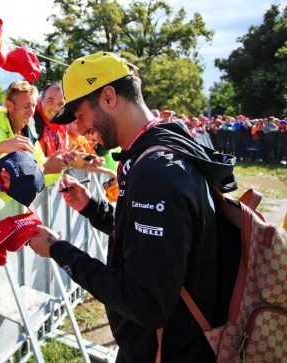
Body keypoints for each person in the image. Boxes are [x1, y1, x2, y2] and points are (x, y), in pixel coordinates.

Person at [28, 51, 236, 362]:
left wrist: (59, 250)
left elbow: (146, 303)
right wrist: (93, 210)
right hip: (182, 340)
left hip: (169, 350)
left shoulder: (155, 171)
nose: (79, 129)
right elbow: (157, 245)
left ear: (108, 96)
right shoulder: (167, 143)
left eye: (79, 114)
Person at [0, 80, 67, 187]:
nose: (32, 112)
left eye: (34, 105)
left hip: (20, 204)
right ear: (9, 105)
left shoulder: (30, 133)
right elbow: (8, 183)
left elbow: (41, 181)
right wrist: (46, 168)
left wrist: (60, 163)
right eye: (26, 106)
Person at [33, 83, 68, 157]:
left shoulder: (63, 125)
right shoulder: (31, 123)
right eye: (50, 101)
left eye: (60, 104)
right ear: (41, 99)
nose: (55, 108)